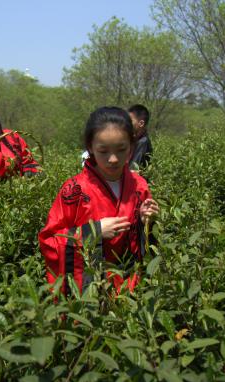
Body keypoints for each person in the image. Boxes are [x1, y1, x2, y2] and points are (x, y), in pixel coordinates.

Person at [40, 106, 159, 295]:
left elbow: (147, 244)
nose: (113, 159)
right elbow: (50, 240)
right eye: (103, 151)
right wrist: (92, 232)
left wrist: (147, 222)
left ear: (132, 146)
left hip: (130, 286)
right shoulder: (74, 190)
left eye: (121, 149)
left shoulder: (139, 185)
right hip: (90, 287)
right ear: (90, 147)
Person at [128, 104, 153, 171]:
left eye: (130, 121)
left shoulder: (143, 142)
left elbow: (133, 170)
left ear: (141, 123)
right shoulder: (134, 139)